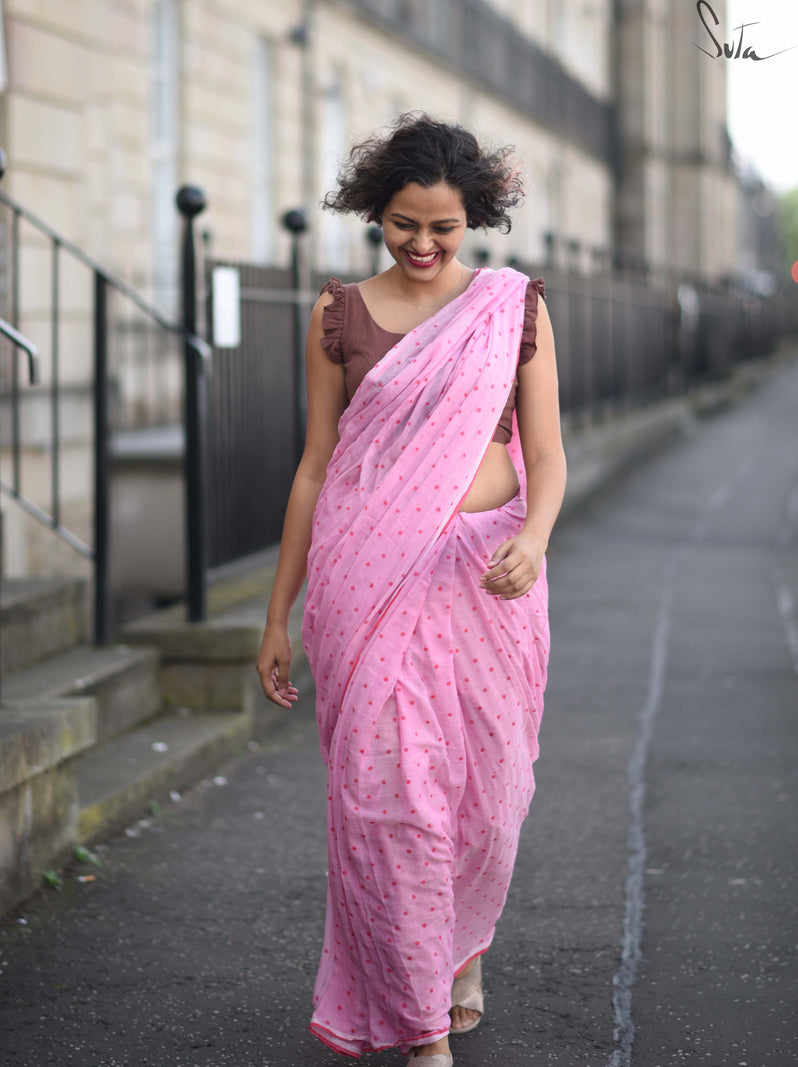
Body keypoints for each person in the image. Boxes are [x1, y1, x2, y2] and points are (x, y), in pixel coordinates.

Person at [256, 113, 566, 1065]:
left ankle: (458, 949)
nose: (424, 246)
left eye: (443, 227)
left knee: (487, 797)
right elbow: (316, 466)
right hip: (366, 581)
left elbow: (547, 455)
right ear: (374, 214)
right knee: (390, 802)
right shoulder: (337, 315)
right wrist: (277, 616)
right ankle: (417, 1020)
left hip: (485, 581)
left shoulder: (512, 306)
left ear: (476, 215)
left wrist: (537, 538)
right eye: (403, 226)